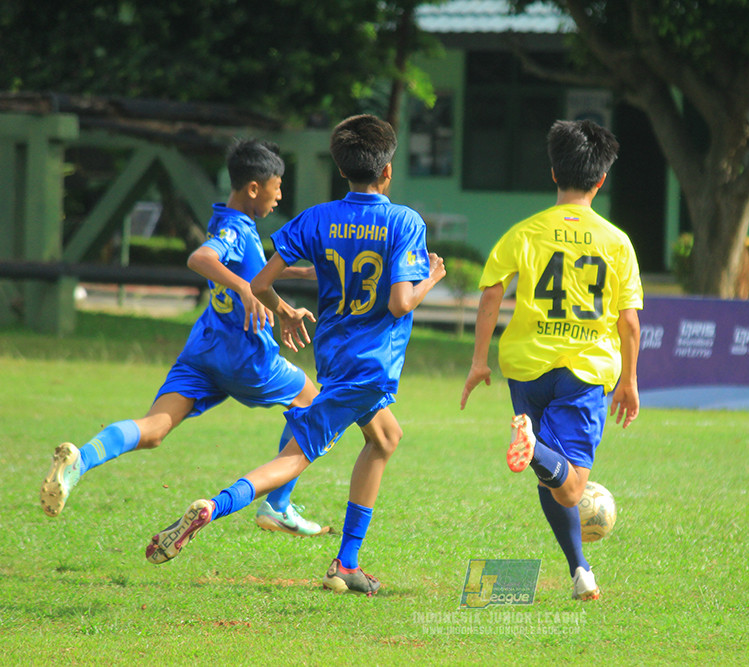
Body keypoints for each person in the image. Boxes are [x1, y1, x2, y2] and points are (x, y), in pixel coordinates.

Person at [144, 114, 446, 596]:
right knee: (295, 458)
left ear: (341, 169)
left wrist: (301, 288)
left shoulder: (317, 218)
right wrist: (431, 277)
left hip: (334, 359)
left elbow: (261, 283)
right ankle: (215, 507)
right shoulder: (404, 221)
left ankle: (346, 562)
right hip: (370, 368)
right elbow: (400, 302)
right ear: (386, 172)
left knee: (385, 437)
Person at [40, 138, 328, 538]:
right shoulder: (234, 228)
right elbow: (201, 259)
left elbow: (251, 270)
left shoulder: (230, 221)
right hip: (245, 357)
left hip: (204, 349)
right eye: (277, 187)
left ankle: (79, 462)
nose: (280, 196)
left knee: (154, 428)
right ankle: (277, 505)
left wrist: (302, 274)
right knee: (314, 403)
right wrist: (247, 292)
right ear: (254, 188)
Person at [460, 119, 643, 601]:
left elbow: (491, 292)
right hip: (584, 373)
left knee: (550, 475)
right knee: (571, 482)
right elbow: (629, 324)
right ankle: (533, 446)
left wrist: (480, 360)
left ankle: (580, 570)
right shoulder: (617, 242)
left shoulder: (523, 232)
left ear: (553, 171)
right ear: (601, 179)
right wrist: (630, 380)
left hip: (525, 367)